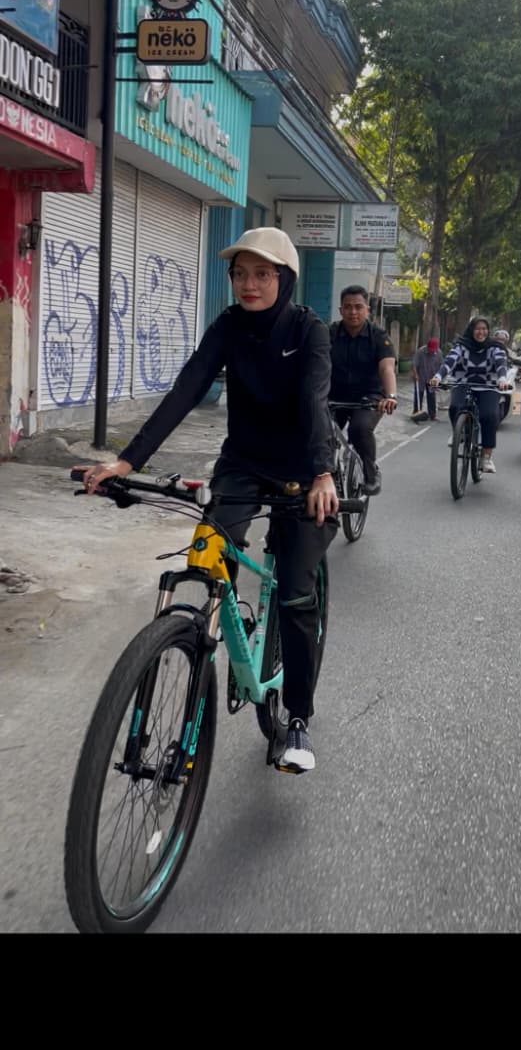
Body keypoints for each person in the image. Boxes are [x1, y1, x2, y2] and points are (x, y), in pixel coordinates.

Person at [81, 227, 339, 775]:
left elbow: (315, 401)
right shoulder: (228, 326)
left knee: (296, 591)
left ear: (285, 279)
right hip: (242, 464)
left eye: (262, 274)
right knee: (208, 555)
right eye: (240, 273)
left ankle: (297, 717)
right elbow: (187, 388)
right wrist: (127, 462)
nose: (249, 284)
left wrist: (323, 472)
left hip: (303, 471)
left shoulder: (309, 330)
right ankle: (208, 636)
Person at [329, 285, 397, 496]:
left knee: (359, 429)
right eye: (348, 307)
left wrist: (391, 396)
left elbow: (386, 368)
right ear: (340, 310)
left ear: (367, 309)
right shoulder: (329, 333)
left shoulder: (379, 336)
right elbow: (314, 363)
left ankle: (371, 473)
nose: (353, 312)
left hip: (370, 396)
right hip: (334, 395)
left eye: (358, 307)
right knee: (320, 432)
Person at [430, 316, 508, 472]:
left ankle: (486, 458)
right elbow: (449, 362)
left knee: (489, 416)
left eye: (484, 329)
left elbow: (501, 364)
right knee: (455, 407)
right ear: (471, 330)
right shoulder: (461, 346)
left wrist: (502, 379)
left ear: (488, 331)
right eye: (477, 329)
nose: (481, 332)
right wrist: (438, 376)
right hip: (463, 383)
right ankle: (458, 432)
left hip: (488, 386)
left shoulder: (495, 347)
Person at [411, 337, 443, 420]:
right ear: (427, 347)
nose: (432, 351)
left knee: (431, 396)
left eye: (433, 350)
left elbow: (441, 366)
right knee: (419, 394)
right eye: (430, 349)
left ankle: (432, 415)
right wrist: (415, 374)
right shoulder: (421, 351)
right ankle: (416, 412)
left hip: (432, 377)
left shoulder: (439, 353)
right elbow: (414, 364)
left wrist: (439, 377)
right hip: (421, 376)